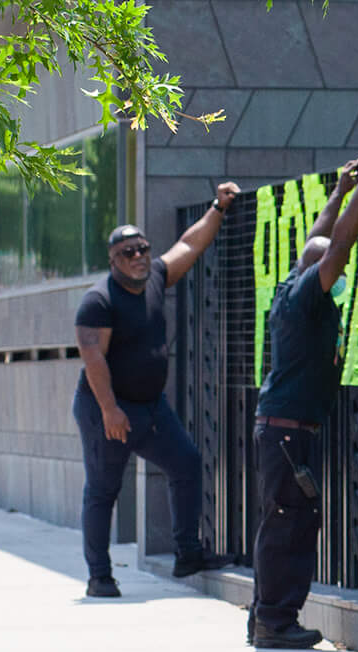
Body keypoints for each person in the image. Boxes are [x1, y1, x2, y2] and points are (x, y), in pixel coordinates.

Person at [248, 151, 358, 650]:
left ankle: (264, 617)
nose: (341, 272)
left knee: (281, 521)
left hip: (283, 428)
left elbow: (321, 239)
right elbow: (338, 248)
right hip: (289, 431)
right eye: (332, 267)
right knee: (290, 524)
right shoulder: (307, 293)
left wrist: (337, 191)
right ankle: (275, 620)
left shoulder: (292, 284)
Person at [74, 184, 245, 598]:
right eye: (127, 253)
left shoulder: (153, 277)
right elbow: (93, 359)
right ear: (112, 261)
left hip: (151, 407)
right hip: (108, 409)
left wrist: (218, 208)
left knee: (185, 463)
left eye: (142, 248)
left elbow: (189, 244)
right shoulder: (98, 301)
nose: (138, 257)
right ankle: (100, 576)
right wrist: (111, 410)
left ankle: (189, 553)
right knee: (103, 490)